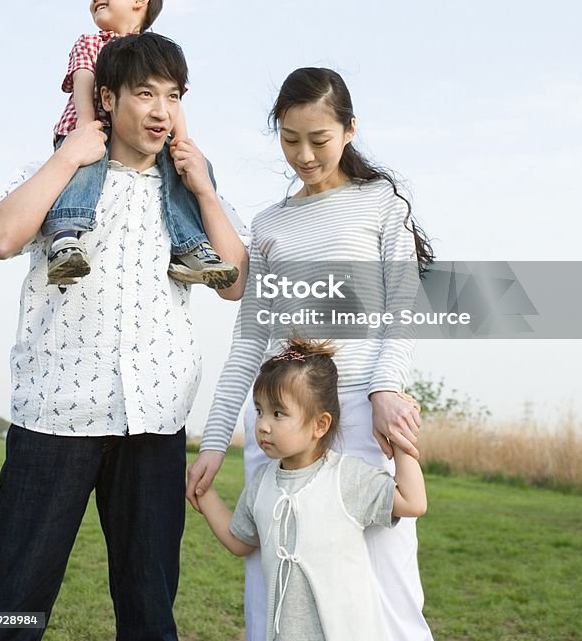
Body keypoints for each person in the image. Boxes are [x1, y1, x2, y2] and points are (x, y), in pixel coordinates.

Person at [0, 33, 248, 641]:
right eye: (145, 94)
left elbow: (233, 284)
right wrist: (67, 157)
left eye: (172, 96)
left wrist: (203, 187)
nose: (160, 111)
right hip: (56, 416)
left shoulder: (185, 190)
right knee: (15, 601)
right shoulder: (61, 174)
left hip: (154, 420)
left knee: (149, 609)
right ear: (107, 97)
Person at [187, 67, 436, 641]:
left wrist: (383, 391)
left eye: (319, 139)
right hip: (279, 413)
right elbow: (251, 340)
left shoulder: (380, 204)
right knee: (272, 575)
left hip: (356, 409)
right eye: (289, 138)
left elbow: (401, 305)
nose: (303, 154)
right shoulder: (271, 223)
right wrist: (216, 440)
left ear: (349, 130)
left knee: (389, 580)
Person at [196, 338, 427, 641]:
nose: (263, 425)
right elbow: (240, 541)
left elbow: (412, 502)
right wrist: (205, 493)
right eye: (259, 410)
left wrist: (399, 438)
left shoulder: (346, 478)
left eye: (278, 413)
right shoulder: (262, 484)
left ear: (320, 425)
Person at [44, 0, 238, 289]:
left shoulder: (156, 53)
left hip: (144, 137)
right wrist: (87, 132)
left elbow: (174, 100)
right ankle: (65, 238)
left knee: (187, 171)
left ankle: (190, 248)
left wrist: (183, 143)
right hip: (90, 132)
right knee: (86, 173)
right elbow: (83, 82)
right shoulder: (91, 42)